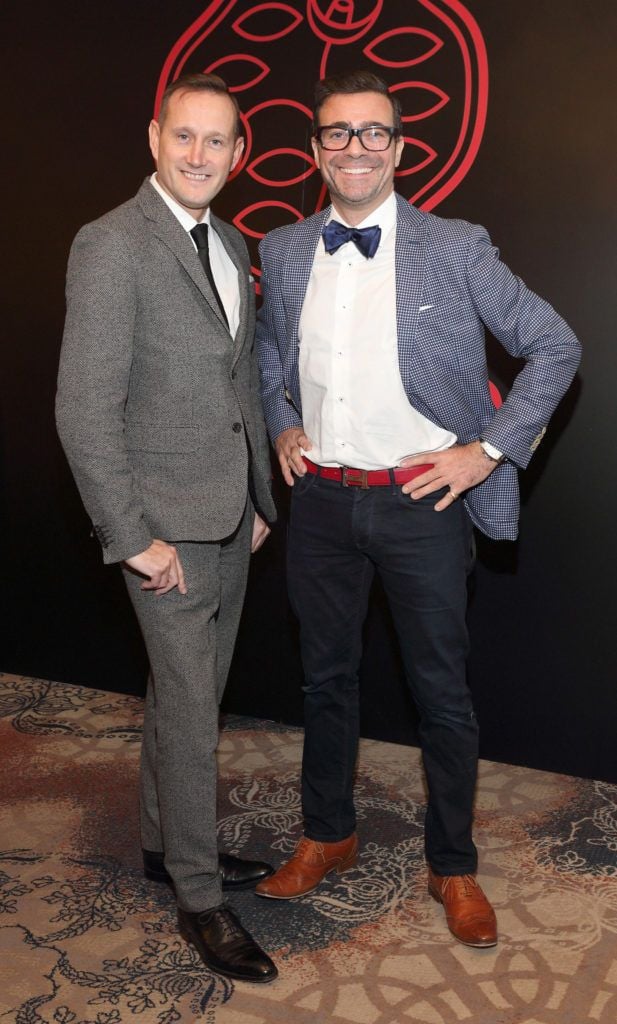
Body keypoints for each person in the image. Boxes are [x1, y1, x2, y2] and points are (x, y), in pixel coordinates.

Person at [254, 69, 581, 947]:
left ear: (397, 148)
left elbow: (554, 345)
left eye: (371, 133)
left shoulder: (455, 246)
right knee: (324, 683)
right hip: (320, 504)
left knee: (440, 694)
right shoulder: (282, 250)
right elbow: (269, 360)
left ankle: (454, 865)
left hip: (418, 503)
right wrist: (282, 421)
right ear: (314, 148)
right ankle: (328, 834)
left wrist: (485, 451)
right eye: (336, 132)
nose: (354, 147)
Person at [56, 73, 278, 983]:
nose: (198, 155)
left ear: (237, 153)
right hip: (162, 532)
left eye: (215, 142)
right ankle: (198, 895)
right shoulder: (110, 244)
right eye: (183, 137)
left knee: (190, 700)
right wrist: (133, 536)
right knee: (191, 714)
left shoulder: (228, 239)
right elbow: (82, 409)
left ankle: (161, 845)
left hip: (231, 517)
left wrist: (262, 498)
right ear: (155, 138)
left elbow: (239, 387)